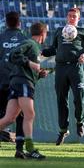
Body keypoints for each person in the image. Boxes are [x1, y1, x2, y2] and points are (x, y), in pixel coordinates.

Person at [42, 7, 84, 145]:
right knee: (61, 99)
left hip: (75, 67)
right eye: (70, 15)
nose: (72, 18)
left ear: (78, 18)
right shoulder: (59, 31)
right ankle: (63, 130)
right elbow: (53, 49)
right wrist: (43, 52)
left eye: (74, 16)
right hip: (61, 68)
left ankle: (80, 121)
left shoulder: (83, 31)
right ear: (67, 17)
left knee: (79, 97)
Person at [0, 22, 48, 159]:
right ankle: (30, 148)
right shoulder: (30, 43)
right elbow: (14, 54)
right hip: (23, 83)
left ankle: (26, 148)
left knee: (9, 118)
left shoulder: (34, 47)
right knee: (30, 114)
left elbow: (24, 66)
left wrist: (39, 74)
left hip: (17, 82)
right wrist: (30, 63)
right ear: (43, 34)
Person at [0, 11, 27, 158]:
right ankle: (19, 148)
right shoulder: (24, 39)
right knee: (20, 115)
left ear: (6, 22)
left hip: (2, 82)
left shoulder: (1, 37)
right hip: (17, 83)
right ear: (19, 23)